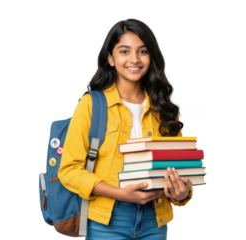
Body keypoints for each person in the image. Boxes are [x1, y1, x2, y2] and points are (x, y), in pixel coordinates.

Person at [58, 17, 194, 240]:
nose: (134, 59)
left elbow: (179, 169)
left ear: (151, 57)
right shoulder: (91, 105)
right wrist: (120, 193)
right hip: (107, 220)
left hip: (155, 220)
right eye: (124, 51)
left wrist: (181, 192)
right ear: (110, 58)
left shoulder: (165, 108)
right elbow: (69, 170)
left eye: (142, 51)